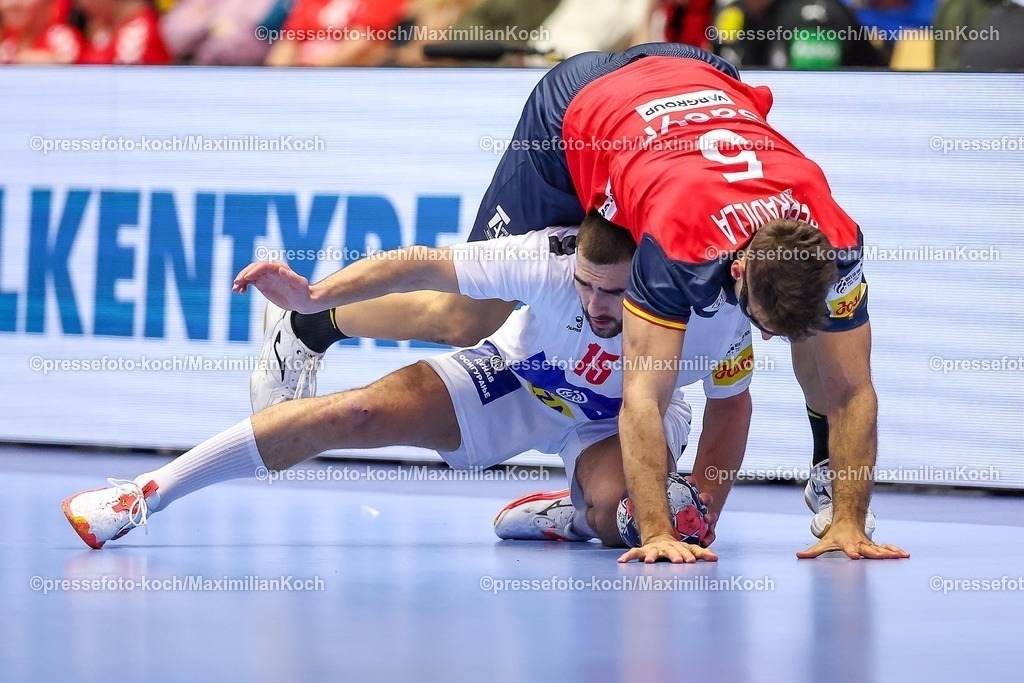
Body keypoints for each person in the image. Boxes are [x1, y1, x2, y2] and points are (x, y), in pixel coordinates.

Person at [261, 43, 908, 563]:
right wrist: (657, 531)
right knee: (468, 318)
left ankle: (830, 492)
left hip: (696, 74)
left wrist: (849, 520)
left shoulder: (833, 232)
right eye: (760, 324)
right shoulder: (677, 243)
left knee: (827, 352)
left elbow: (851, 387)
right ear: (738, 267)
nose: (760, 339)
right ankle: (313, 321)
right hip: (581, 108)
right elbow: (644, 398)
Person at [62, 214, 751, 556]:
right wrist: (314, 297)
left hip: (615, 424)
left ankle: (568, 514)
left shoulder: (712, 319)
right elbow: (422, 264)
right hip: (516, 379)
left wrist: (705, 506)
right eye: (587, 288)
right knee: (357, 410)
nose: (598, 309)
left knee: (621, 518)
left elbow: (732, 405)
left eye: (616, 294)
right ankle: (145, 493)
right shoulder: (547, 258)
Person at [0, 0, 83, 64]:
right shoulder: (9, 44)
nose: (10, 4)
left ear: (47, 3)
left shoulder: (59, 37)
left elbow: (66, 59)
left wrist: (21, 58)